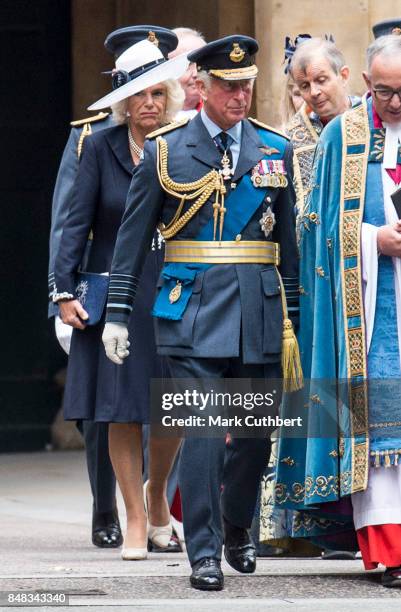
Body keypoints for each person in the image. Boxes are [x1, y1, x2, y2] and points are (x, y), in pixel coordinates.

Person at [101, 34, 299, 590]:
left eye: (247, 86)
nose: (240, 97)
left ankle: (238, 525)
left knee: (255, 437)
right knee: (206, 429)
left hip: (258, 311)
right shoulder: (167, 150)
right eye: (229, 86)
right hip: (189, 311)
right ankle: (205, 553)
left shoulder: (274, 149)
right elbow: (132, 240)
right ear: (203, 87)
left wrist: (296, 318)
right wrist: (117, 311)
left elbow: (287, 243)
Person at [53, 32, 188, 560]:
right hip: (113, 293)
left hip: (176, 291)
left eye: (157, 94)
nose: (149, 105)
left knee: (174, 407)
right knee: (120, 410)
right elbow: (72, 224)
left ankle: (158, 501)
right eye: (138, 96)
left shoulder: (185, 145)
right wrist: (63, 294)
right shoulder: (99, 147)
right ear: (123, 103)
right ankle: (134, 517)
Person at [275, 31, 401, 587]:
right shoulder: (340, 139)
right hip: (371, 311)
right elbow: (318, 235)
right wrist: (374, 242)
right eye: (384, 93)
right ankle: (390, 552)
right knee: (377, 429)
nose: (394, 103)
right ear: (366, 84)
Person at [260, 36, 360, 561]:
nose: (313, 94)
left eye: (322, 81)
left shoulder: (372, 135)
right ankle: (304, 523)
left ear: (346, 77)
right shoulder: (282, 144)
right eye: (303, 86)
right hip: (305, 295)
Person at [169, 27, 206, 118]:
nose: (196, 74)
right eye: (187, 65)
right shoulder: (151, 118)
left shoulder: (219, 117)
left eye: (201, 64)